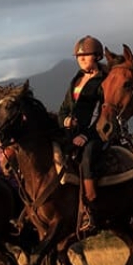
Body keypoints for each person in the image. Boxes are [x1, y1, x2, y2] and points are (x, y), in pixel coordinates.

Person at [56, 35, 107, 233]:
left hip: (97, 134)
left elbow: (102, 114)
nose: (83, 59)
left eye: (87, 56)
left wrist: (86, 136)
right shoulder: (76, 80)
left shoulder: (105, 80)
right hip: (72, 133)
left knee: (87, 158)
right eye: (80, 57)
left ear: (98, 56)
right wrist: (65, 121)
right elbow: (63, 109)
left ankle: (90, 209)